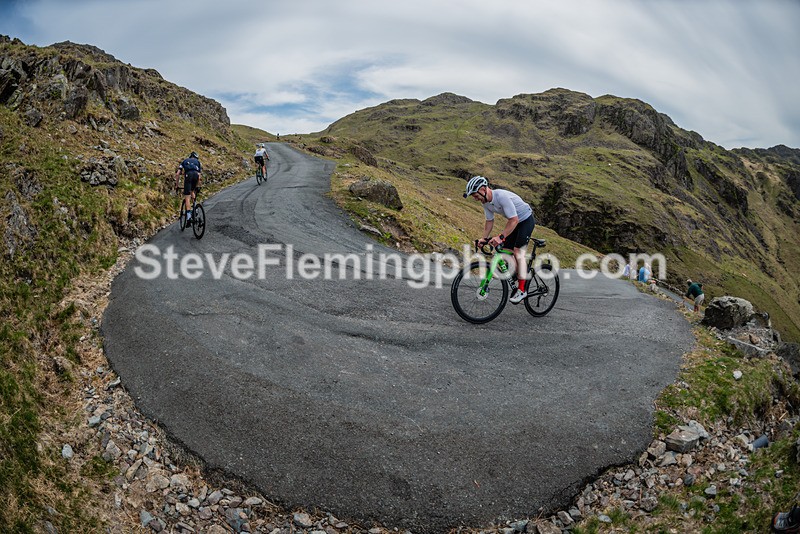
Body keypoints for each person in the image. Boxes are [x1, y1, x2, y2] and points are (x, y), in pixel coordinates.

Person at [464, 175, 536, 304]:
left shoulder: (501, 197)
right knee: (505, 251)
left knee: (518, 252)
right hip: (514, 222)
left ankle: (522, 289)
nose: (475, 199)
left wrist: (501, 236)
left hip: (525, 220)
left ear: (483, 189)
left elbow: (514, 220)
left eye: (475, 195)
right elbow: (489, 221)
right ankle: (516, 273)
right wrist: (483, 238)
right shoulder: (486, 202)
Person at [175, 151, 202, 221]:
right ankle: (195, 208)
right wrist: (198, 186)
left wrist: (177, 185)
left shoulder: (185, 161)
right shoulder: (198, 162)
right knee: (192, 191)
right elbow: (199, 176)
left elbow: (177, 174)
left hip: (188, 176)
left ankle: (189, 217)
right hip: (196, 175)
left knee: (187, 197)